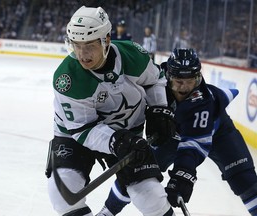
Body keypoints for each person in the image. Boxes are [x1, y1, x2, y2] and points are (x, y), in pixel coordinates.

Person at [45, 6, 176, 216]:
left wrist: (159, 108)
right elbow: (83, 131)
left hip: (127, 133)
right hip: (75, 135)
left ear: (106, 40)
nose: (82, 54)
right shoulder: (67, 79)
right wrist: (116, 141)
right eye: (76, 45)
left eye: (88, 45)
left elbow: (156, 80)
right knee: (62, 193)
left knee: (151, 197)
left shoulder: (133, 55)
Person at [96, 48, 257, 216]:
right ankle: (107, 212)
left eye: (190, 81)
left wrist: (182, 177)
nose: (185, 88)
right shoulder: (155, 82)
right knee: (138, 170)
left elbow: (193, 146)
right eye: (179, 81)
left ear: (198, 78)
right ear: (168, 76)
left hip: (219, 135)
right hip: (172, 135)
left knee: (244, 180)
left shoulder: (202, 101)